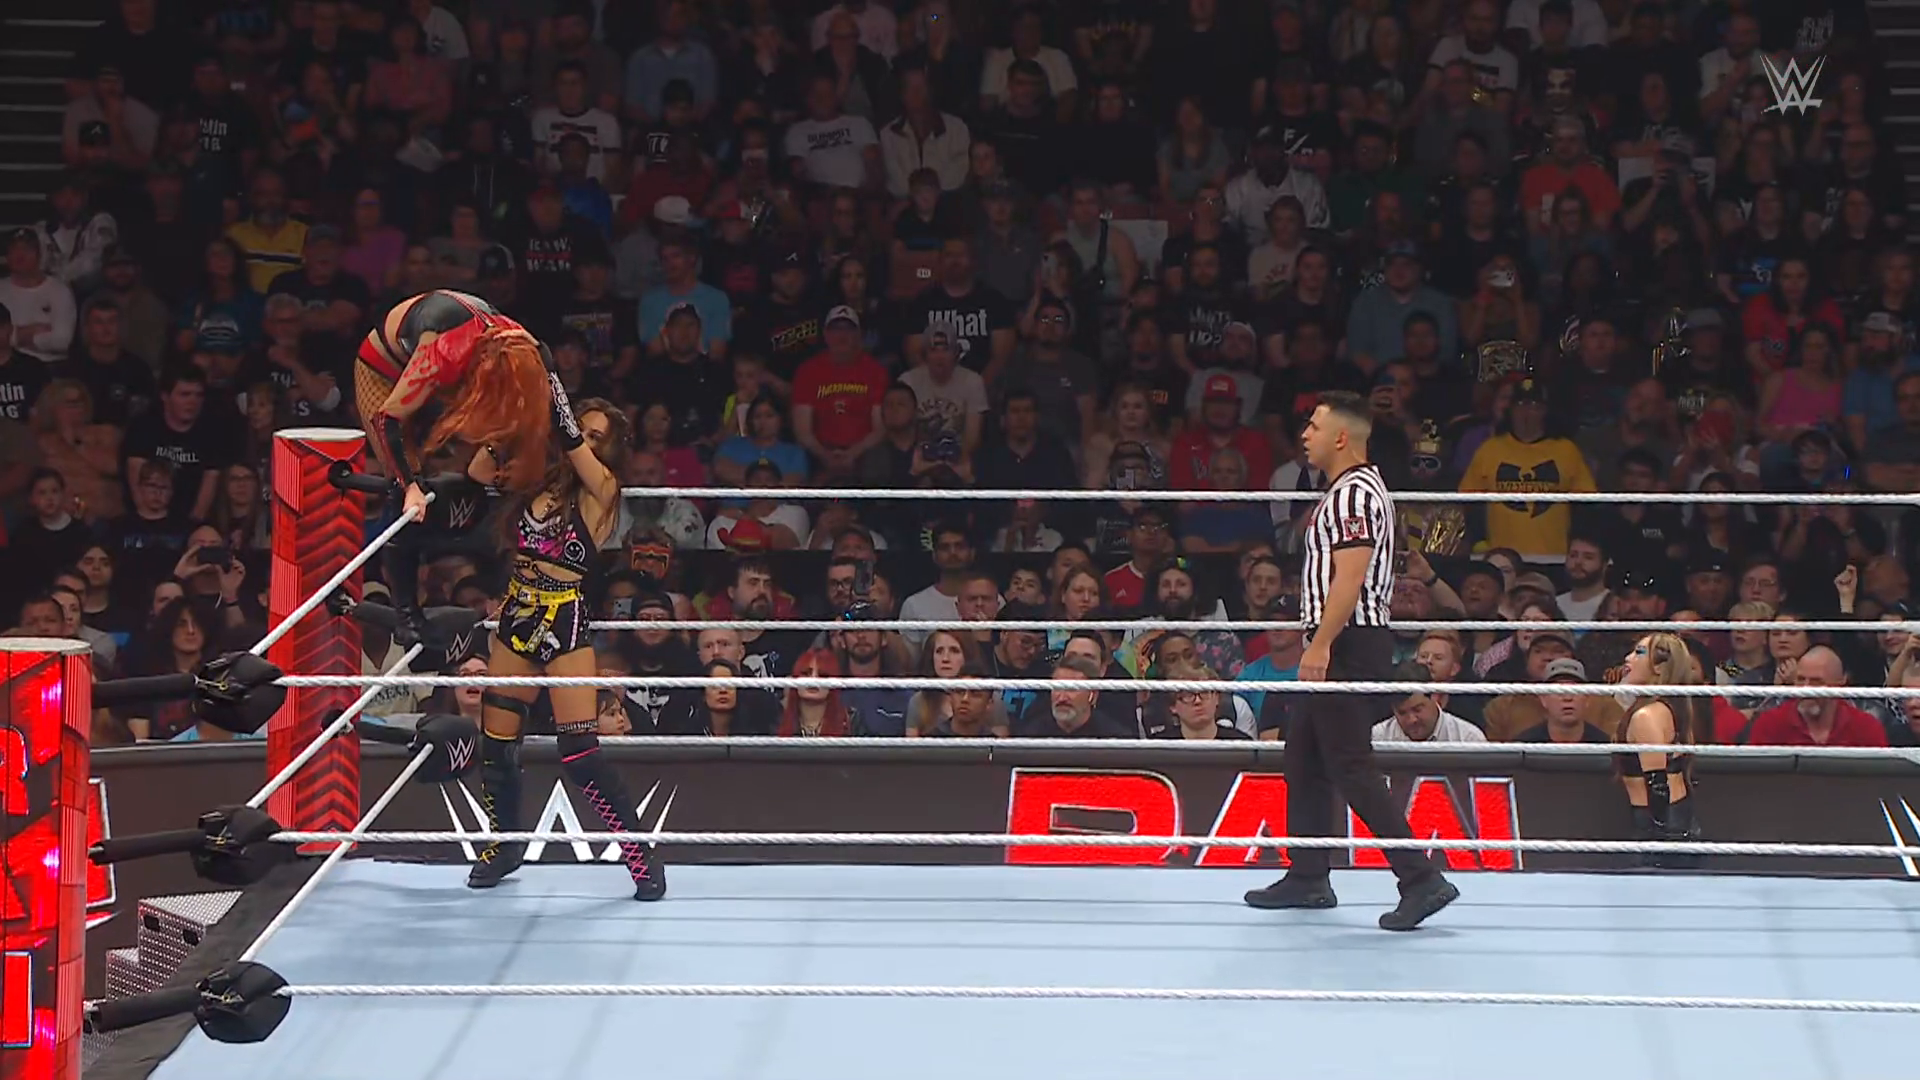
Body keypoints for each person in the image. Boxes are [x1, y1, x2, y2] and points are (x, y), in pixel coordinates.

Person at [1243, 391, 1458, 930]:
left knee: (1349, 764)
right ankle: (1308, 875)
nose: (1304, 435)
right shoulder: (1347, 490)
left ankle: (1420, 878)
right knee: (1304, 757)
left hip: (1347, 639)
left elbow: (1351, 578)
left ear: (1341, 437)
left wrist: (1320, 645)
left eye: (1314, 426)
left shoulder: (1355, 494)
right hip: (1341, 637)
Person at [464, 398, 664, 901]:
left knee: (580, 753)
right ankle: (504, 846)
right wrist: (513, 429)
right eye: (582, 431)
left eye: (597, 437)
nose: (584, 441)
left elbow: (578, 451)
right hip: (518, 611)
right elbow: (478, 471)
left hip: (563, 616)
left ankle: (640, 856)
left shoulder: (603, 490)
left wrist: (562, 415)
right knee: (497, 741)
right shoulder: (538, 478)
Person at [352, 289, 580, 615]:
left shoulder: (531, 354)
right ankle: (407, 610)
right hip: (385, 369)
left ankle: (503, 571)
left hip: (464, 371)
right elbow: (387, 419)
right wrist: (411, 487)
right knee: (404, 483)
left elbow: (562, 418)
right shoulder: (441, 353)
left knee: (515, 452)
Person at [1615, 632, 1711, 868]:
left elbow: (1658, 787)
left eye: (1639, 652)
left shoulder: (1646, 717)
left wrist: (1658, 840)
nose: (1628, 658)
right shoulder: (1670, 709)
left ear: (1659, 668)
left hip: (1662, 827)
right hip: (1672, 822)